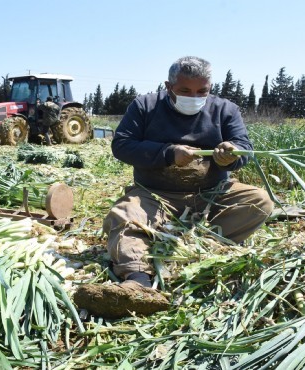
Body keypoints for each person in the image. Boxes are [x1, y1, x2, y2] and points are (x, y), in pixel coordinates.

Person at [74, 56, 273, 318]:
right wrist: (168, 153)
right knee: (123, 216)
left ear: (210, 87)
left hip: (210, 195)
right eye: (185, 91)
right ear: (169, 86)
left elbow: (245, 148)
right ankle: (138, 283)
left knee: (260, 201)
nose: (195, 96)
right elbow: (122, 145)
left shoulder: (225, 110)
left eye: (202, 91)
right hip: (155, 195)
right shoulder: (146, 106)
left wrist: (233, 154)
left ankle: (201, 248)